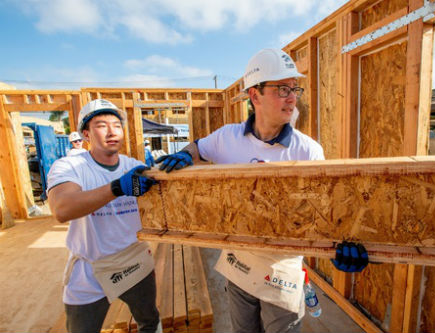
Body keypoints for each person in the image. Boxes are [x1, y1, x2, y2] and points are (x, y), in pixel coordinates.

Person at [155, 48, 368, 333]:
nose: (292, 97)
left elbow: (324, 211)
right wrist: (185, 154)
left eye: (294, 89)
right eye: (282, 89)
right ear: (254, 95)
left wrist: (342, 246)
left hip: (282, 271)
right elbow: (198, 148)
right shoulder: (227, 138)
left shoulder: (307, 150)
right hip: (239, 263)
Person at [47, 99, 161, 333]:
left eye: (116, 125)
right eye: (101, 125)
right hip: (90, 270)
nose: (111, 131)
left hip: (134, 260)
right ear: (86, 133)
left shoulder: (133, 166)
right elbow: (62, 209)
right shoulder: (70, 166)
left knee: (149, 323)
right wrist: (116, 187)